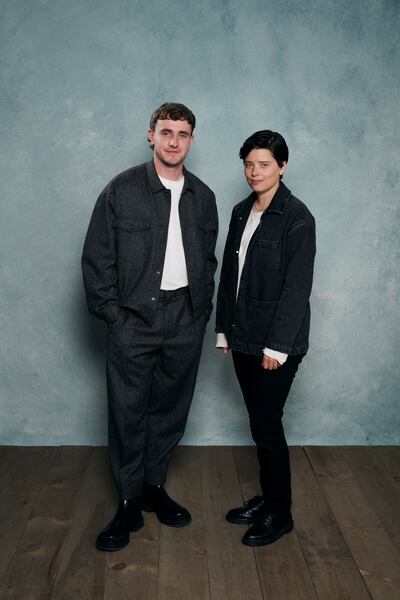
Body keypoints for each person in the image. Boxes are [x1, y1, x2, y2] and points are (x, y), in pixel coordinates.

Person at [82, 102, 218, 551]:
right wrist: (115, 318)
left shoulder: (204, 197)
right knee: (127, 411)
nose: (174, 140)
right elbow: (97, 259)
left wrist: (200, 314)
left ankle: (153, 487)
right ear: (151, 136)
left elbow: (209, 260)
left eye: (182, 133)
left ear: (191, 140)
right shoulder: (121, 191)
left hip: (185, 318)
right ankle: (126, 500)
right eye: (166, 132)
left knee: (170, 409)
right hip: (134, 321)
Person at [216, 130, 315, 546]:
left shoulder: (297, 217)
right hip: (242, 337)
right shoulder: (242, 210)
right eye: (249, 164)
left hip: (276, 344)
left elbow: (296, 288)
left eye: (264, 164)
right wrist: (223, 329)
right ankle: (268, 497)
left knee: (268, 426)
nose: (254, 172)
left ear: (283, 166)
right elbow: (229, 275)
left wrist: (276, 348)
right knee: (259, 425)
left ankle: (280, 512)